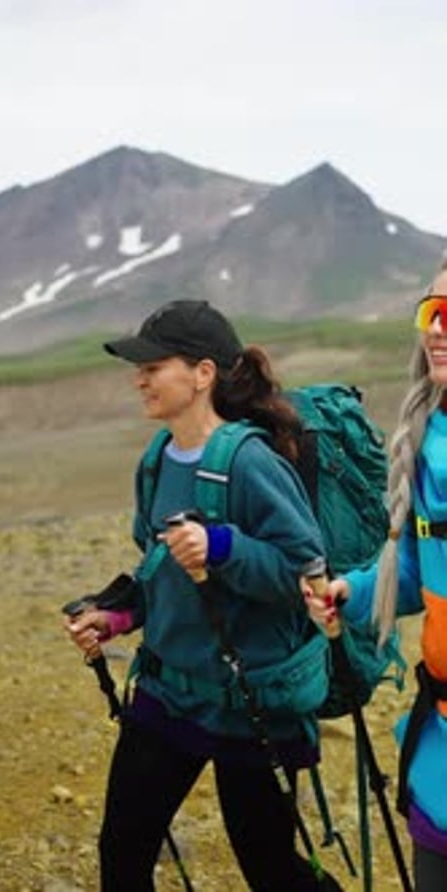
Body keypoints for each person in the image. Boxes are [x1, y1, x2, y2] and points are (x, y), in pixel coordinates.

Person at [65, 299, 343, 891]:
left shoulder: (250, 462)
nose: (138, 378)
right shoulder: (157, 458)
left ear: (203, 373)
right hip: (169, 694)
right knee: (123, 851)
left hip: (252, 705)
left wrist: (224, 547)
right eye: (137, 367)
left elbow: (308, 575)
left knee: (268, 866)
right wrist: (116, 616)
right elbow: (161, 568)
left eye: (153, 365)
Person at [305, 258, 447, 892]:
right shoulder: (427, 439)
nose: (437, 329)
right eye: (430, 312)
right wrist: (353, 590)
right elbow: (418, 565)